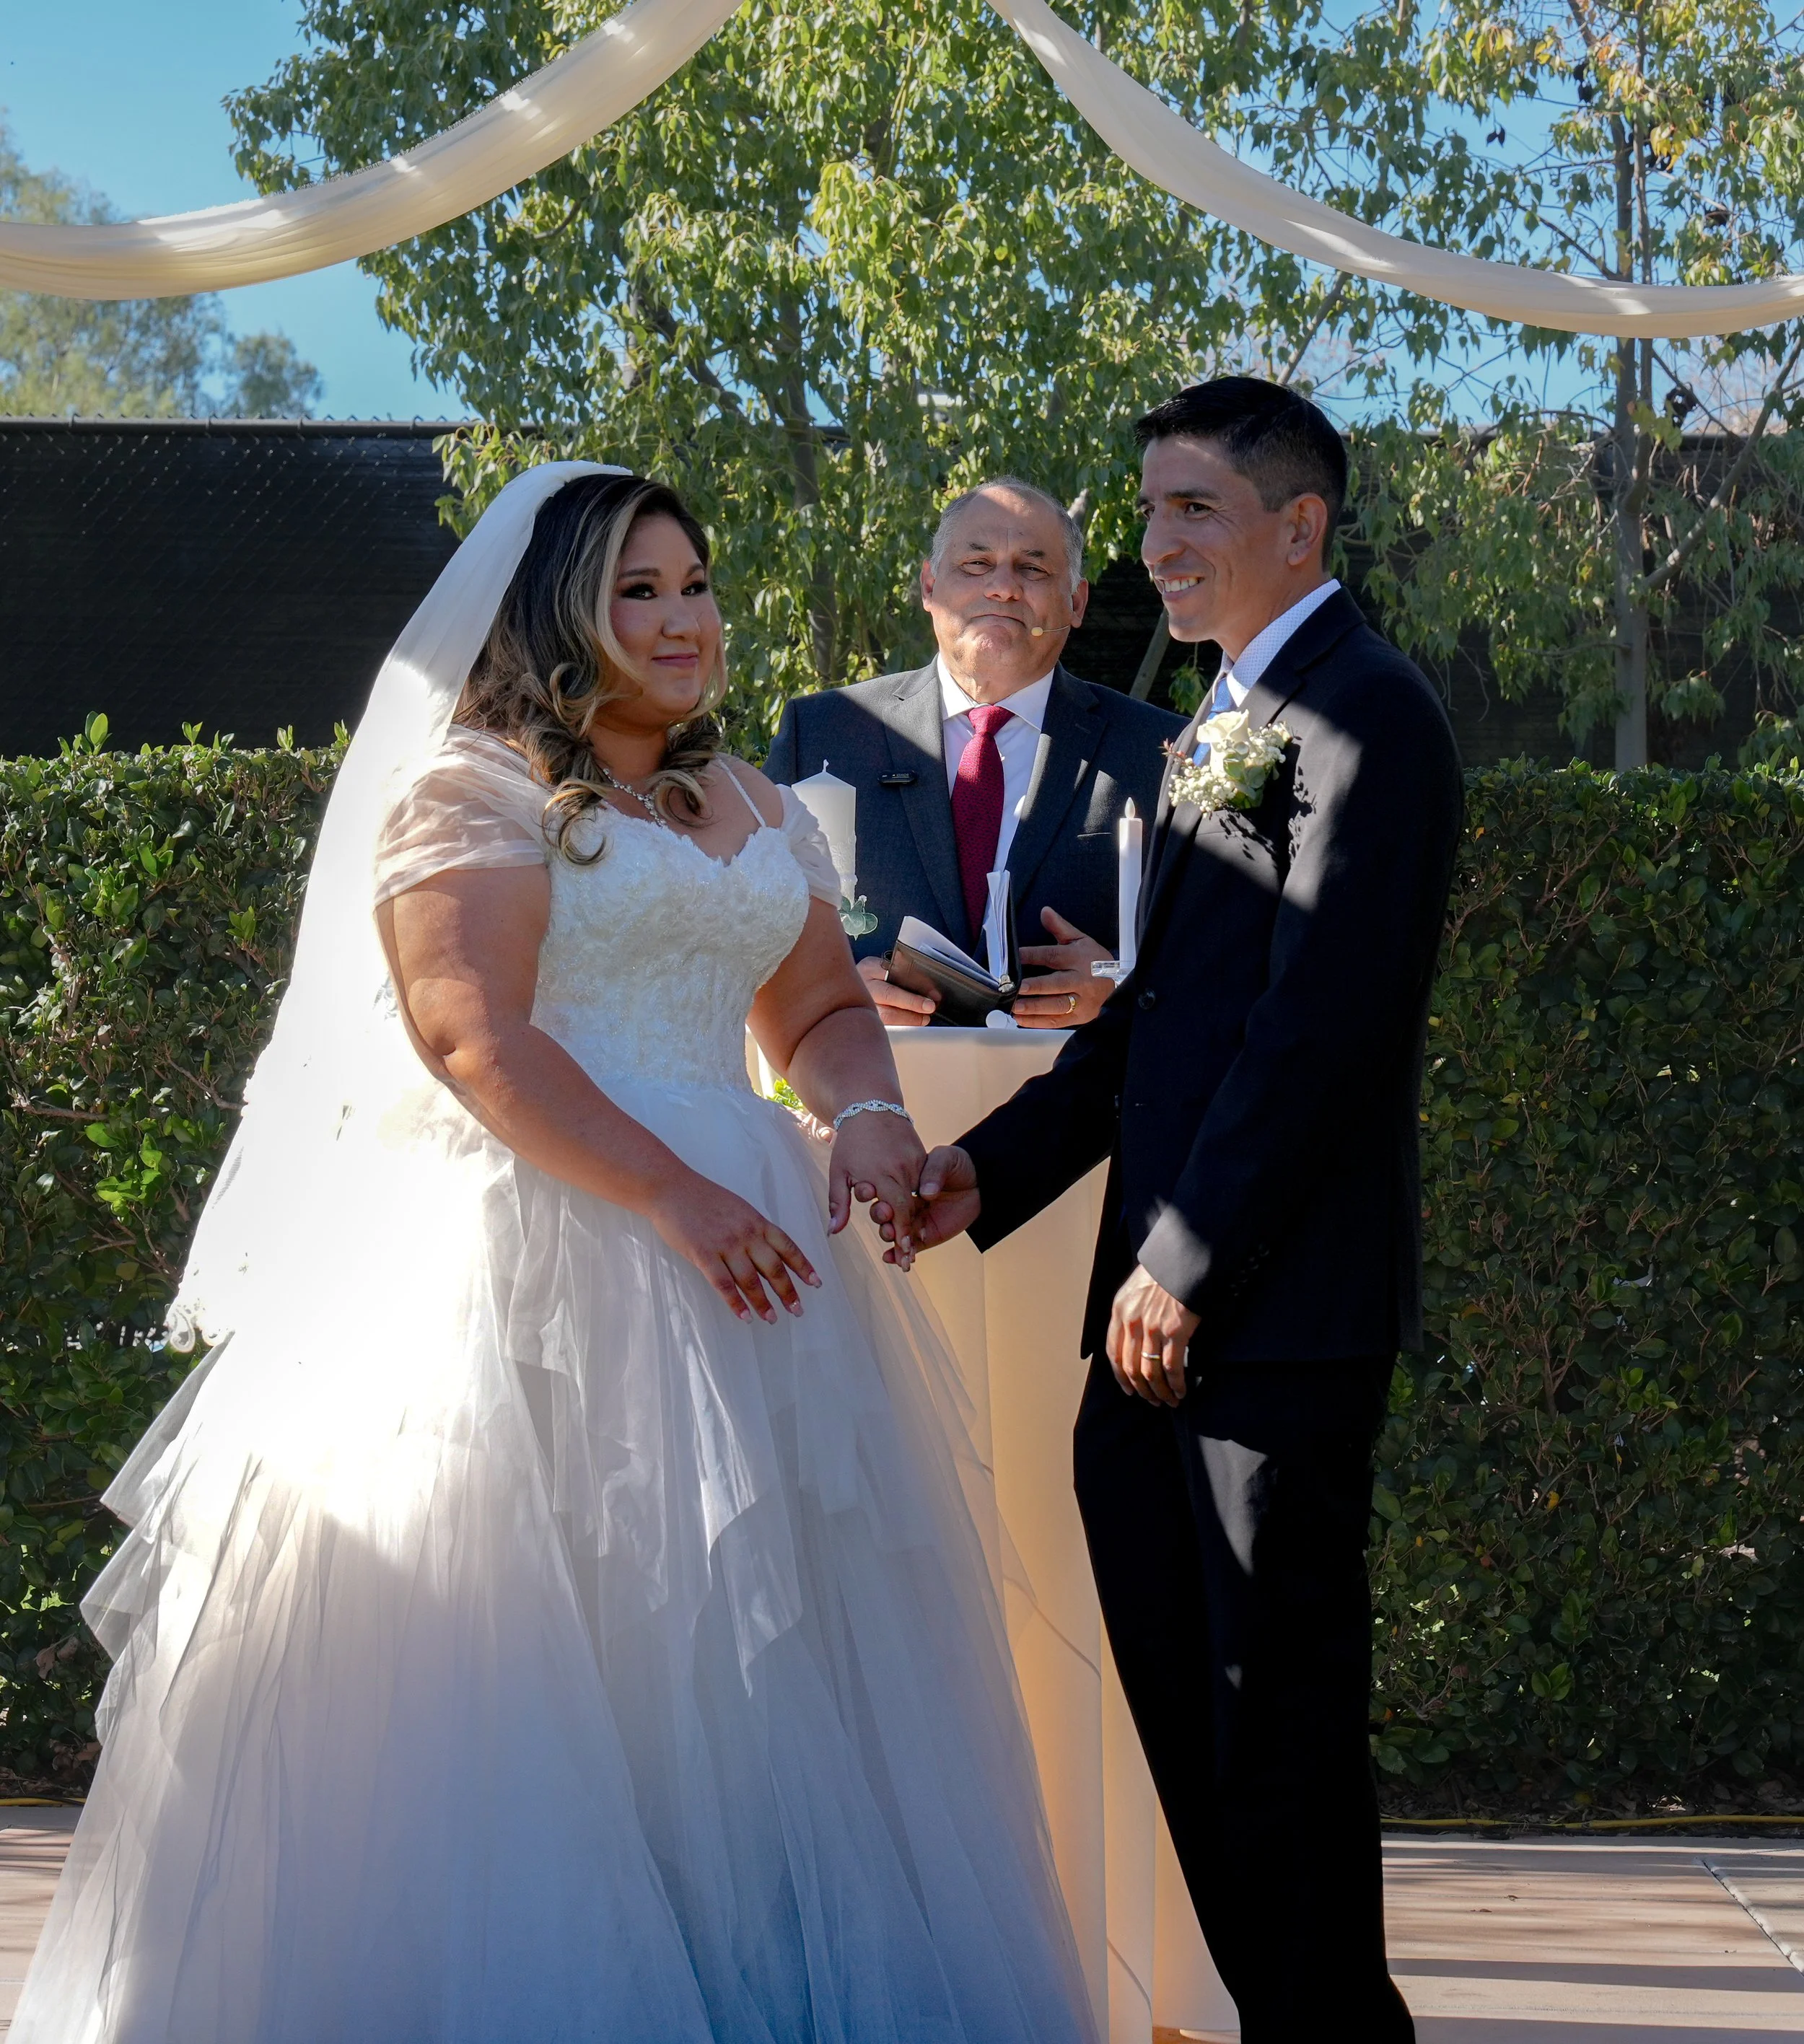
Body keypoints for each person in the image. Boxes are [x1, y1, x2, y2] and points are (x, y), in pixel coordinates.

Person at [12, 467, 1095, 2044]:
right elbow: (473, 1040)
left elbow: (814, 1014)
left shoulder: (753, 803)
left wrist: (861, 1119)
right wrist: (673, 1195)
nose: (683, 620)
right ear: (560, 613)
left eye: (696, 586)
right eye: (639, 591)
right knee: (560, 1653)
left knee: (763, 1665)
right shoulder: (474, 790)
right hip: (546, 1249)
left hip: (758, 1276)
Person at [889, 380, 1463, 2041]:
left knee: (1275, 1749)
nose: (1156, 544)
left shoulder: (1370, 716)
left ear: (1302, 525)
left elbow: (1318, 1035)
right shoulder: (1236, 719)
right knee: (1210, 1749)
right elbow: (1163, 1024)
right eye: (1146, 511)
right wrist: (979, 1174)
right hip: (1160, 1350)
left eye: (1194, 510)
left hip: (1265, 1336)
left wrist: (1183, 1265)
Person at [766, 478, 1181, 1027]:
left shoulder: (1163, 753)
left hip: (1074, 1099)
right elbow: (743, 939)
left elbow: (1220, 956)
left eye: (1032, 569)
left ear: (1077, 602)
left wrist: (1127, 984)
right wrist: (832, 990)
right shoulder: (822, 736)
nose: (1004, 588)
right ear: (929, 587)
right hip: (876, 1091)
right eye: (977, 564)